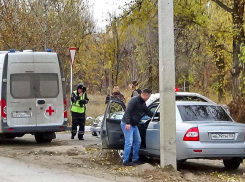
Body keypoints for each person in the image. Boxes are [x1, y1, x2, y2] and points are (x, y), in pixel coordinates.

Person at [121, 89, 154, 166]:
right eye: (148, 96)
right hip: (127, 124)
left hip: (134, 125)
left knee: (137, 141)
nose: (148, 98)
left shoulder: (142, 103)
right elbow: (127, 111)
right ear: (146, 95)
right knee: (129, 142)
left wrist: (156, 116)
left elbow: (147, 111)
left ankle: (135, 159)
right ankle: (125, 161)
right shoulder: (134, 100)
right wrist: (127, 123)